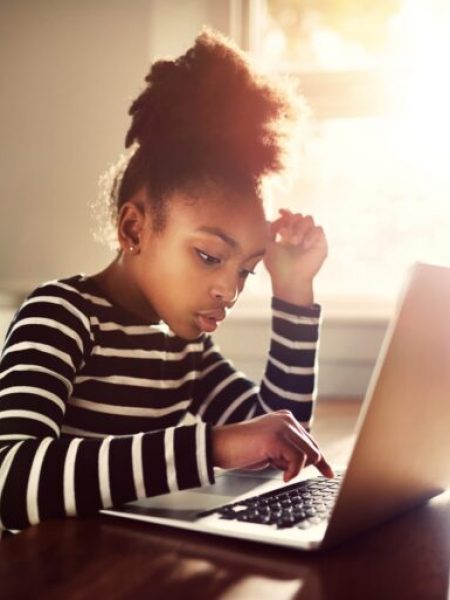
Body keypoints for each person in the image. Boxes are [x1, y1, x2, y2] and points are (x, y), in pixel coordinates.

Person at [0, 28, 333, 534]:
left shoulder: (184, 350)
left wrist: (292, 295)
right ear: (134, 229)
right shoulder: (60, 315)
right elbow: (11, 481)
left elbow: (281, 440)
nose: (230, 290)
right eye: (208, 255)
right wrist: (216, 445)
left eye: (246, 269)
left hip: (124, 568)